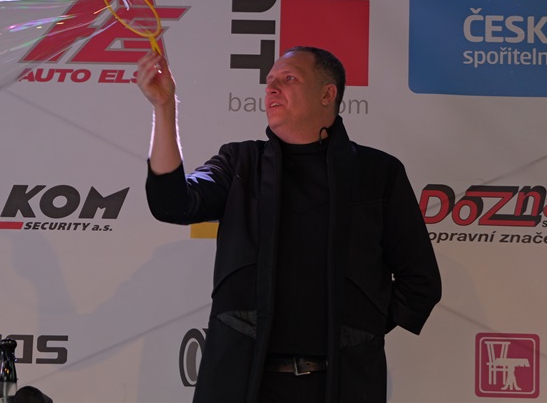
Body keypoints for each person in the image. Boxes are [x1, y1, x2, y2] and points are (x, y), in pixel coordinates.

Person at [137, 45, 441, 403]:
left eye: (289, 78)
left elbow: (420, 282)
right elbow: (172, 204)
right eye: (269, 81)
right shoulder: (240, 162)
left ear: (327, 94)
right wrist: (164, 107)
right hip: (239, 384)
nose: (272, 88)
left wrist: (361, 325)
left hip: (343, 385)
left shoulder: (379, 173)